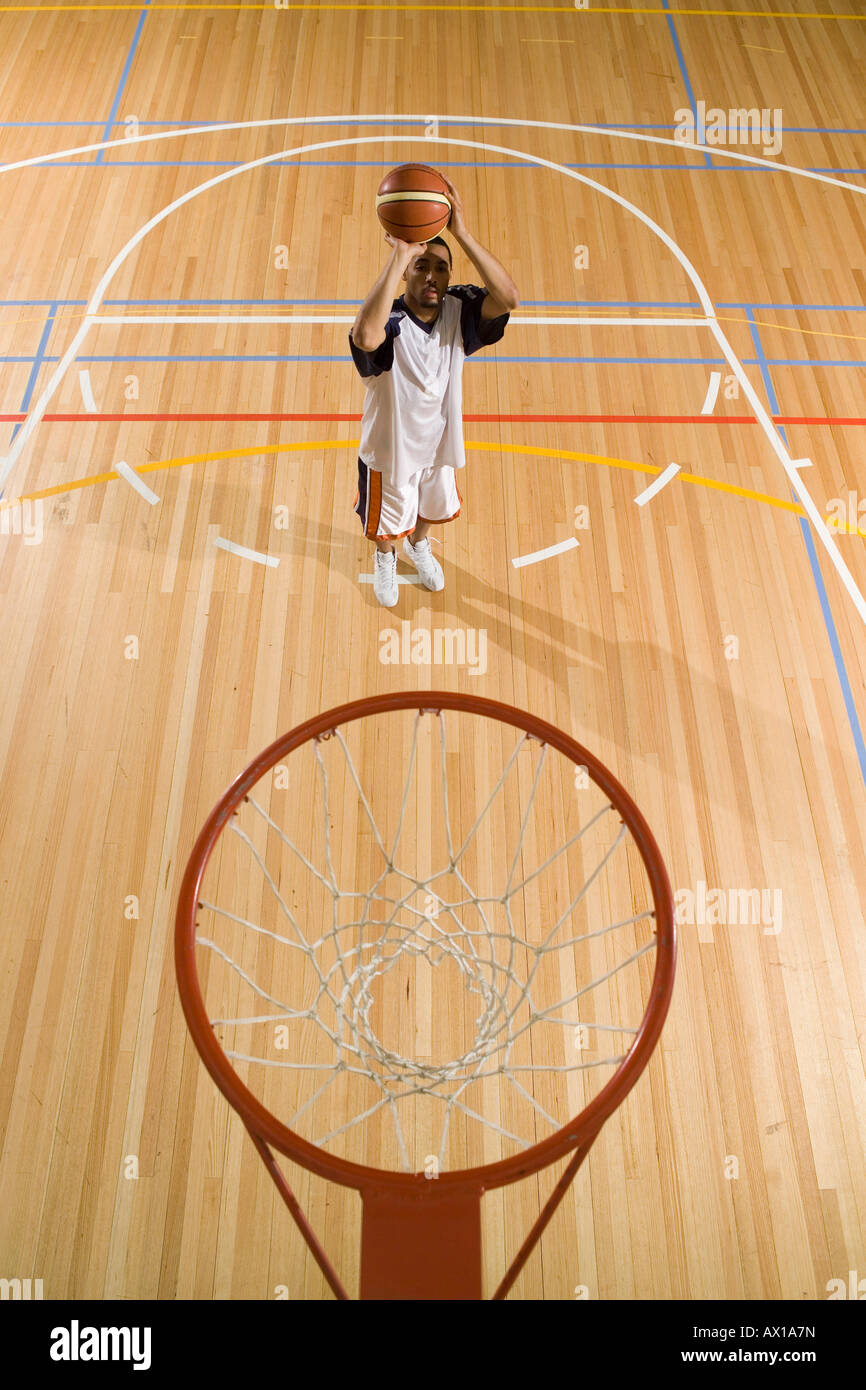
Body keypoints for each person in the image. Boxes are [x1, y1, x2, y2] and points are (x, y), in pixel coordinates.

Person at [349, 176, 520, 606]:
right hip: (390, 453)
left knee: (432, 509)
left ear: (449, 277)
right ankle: (387, 554)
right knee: (389, 522)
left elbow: (509, 298)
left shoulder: (459, 312)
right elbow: (365, 336)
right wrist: (402, 251)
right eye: (421, 266)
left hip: (438, 445)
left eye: (440, 268)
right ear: (405, 272)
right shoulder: (389, 321)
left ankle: (417, 545)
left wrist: (461, 233)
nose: (431, 275)